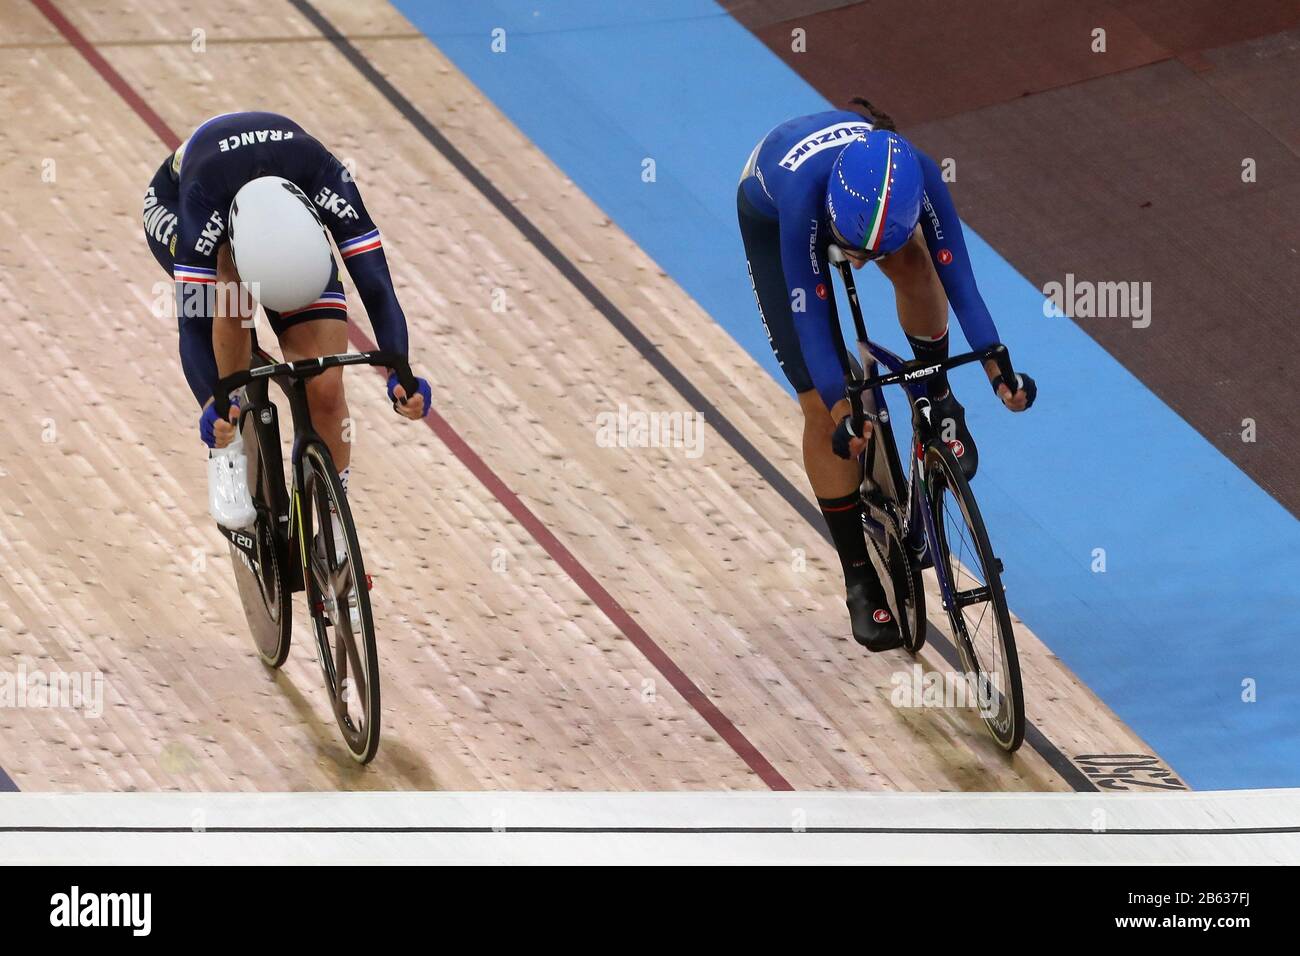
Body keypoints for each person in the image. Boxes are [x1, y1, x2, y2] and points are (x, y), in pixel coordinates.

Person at [736, 98, 1036, 651]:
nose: (860, 261)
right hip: (773, 212)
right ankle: (857, 573)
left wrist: (998, 368)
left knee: (919, 264)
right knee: (822, 405)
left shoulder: (919, 173)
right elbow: (810, 319)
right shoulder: (803, 200)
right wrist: (843, 411)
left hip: (865, 204)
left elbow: (962, 282)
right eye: (855, 250)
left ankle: (937, 400)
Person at [141, 111, 431, 540]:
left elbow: (377, 284)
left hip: (283, 220)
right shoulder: (202, 204)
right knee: (228, 289)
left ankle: (333, 524)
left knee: (326, 390)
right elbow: (194, 326)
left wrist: (398, 369)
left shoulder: (326, 174)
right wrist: (211, 401)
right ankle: (228, 453)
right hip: (185, 206)